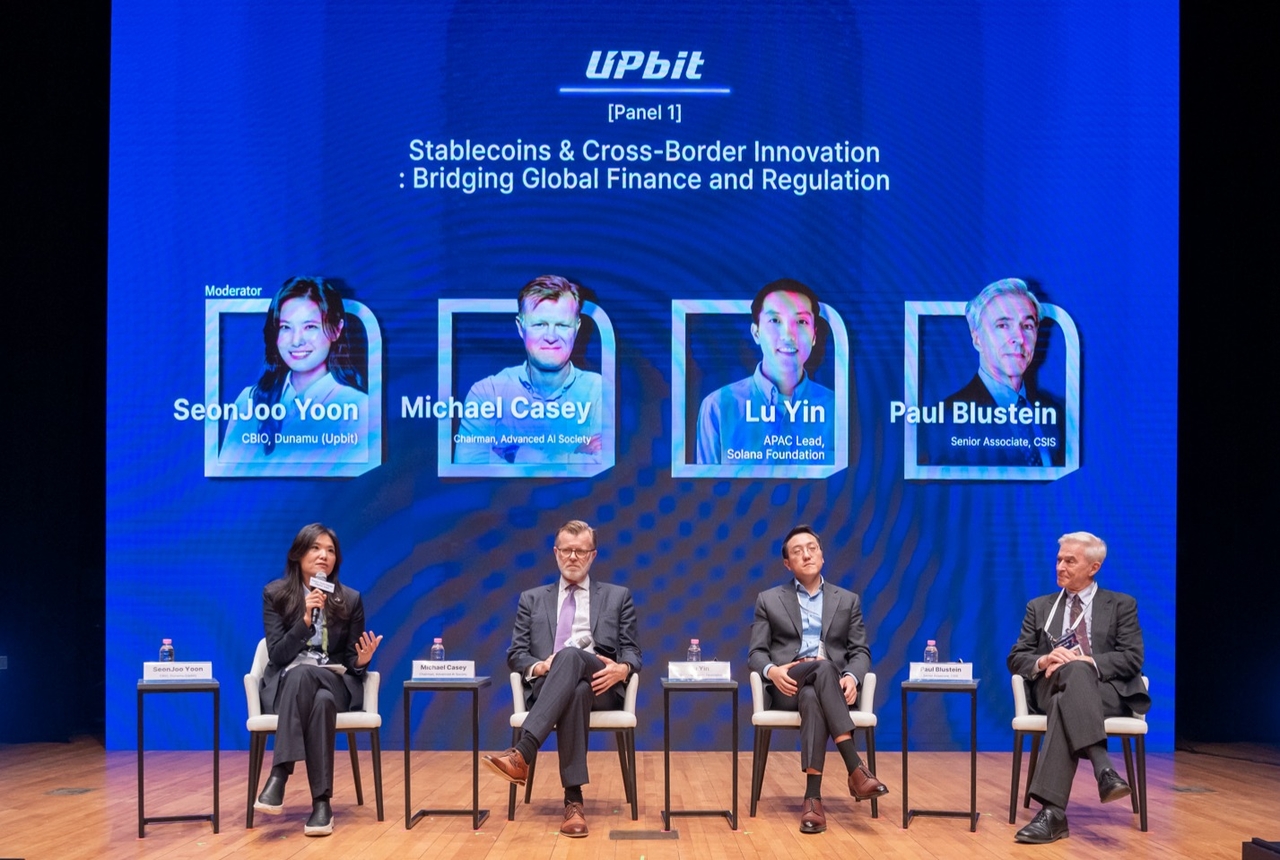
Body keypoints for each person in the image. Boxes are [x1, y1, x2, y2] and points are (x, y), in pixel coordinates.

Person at [482, 520, 641, 838]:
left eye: (580, 551)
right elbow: (516, 655)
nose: (572, 557)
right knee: (575, 690)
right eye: (566, 550)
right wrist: (541, 667)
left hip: (602, 684)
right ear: (555, 553)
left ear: (593, 555)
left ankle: (522, 753)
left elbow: (633, 653)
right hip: (551, 685)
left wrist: (622, 669)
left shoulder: (617, 597)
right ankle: (573, 803)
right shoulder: (532, 599)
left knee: (571, 658)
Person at [1007, 531, 1150, 844]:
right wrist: (1045, 659)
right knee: (1068, 681)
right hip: (1050, 684)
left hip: (1106, 692)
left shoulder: (1121, 605)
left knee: (1070, 689)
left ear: (1094, 567)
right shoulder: (1040, 607)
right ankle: (1103, 768)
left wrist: (1087, 662)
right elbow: (1017, 658)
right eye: (1059, 559)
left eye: (1070, 561)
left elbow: (1132, 657)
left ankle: (1053, 814)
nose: (1060, 566)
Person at [747, 525, 888, 834]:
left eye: (812, 548)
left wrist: (852, 676)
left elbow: (860, 651)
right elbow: (756, 653)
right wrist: (773, 671)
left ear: (822, 555)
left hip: (827, 689)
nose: (806, 554)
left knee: (816, 692)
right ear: (787, 564)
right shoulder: (769, 600)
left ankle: (812, 800)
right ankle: (855, 768)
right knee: (821, 670)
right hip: (789, 684)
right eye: (797, 551)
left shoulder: (847, 600)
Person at [253, 523, 383, 837]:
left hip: (335, 683)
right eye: (316, 548)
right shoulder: (275, 595)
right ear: (298, 554)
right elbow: (279, 655)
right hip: (287, 686)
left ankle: (280, 775)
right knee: (314, 693)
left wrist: (362, 660)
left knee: (319, 686)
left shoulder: (349, 599)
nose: (324, 555)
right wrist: (304, 622)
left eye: (330, 550)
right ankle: (321, 805)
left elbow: (351, 662)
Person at [453, 275, 603, 464]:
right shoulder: (487, 392)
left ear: (577, 327)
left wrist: (513, 453)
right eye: (540, 324)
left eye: (562, 325)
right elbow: (467, 466)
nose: (551, 336)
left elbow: (608, 471)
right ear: (520, 327)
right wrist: (575, 458)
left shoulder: (600, 390)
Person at [220, 276, 369, 463]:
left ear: (337, 329)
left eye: (310, 327)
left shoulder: (359, 407)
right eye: (285, 327)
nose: (296, 340)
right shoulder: (249, 401)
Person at [924, 277, 1064, 467]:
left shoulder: (1055, 415)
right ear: (977, 340)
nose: (1019, 338)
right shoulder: (942, 421)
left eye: (1027, 326)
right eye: (1003, 325)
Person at [695, 279, 836, 465]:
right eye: (775, 320)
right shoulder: (718, 407)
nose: (788, 335)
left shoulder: (837, 409)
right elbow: (703, 490)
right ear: (756, 333)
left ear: (814, 336)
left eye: (801, 321)